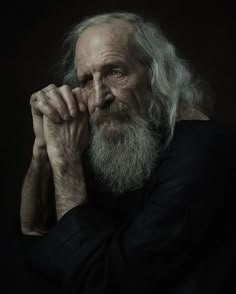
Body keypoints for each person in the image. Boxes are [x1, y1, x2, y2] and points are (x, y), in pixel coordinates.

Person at [3, 12, 236, 294]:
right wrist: (41, 150)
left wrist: (65, 163)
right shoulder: (110, 139)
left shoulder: (203, 151)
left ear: (156, 73)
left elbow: (102, 284)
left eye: (115, 72)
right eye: (87, 80)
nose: (100, 97)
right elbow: (31, 231)